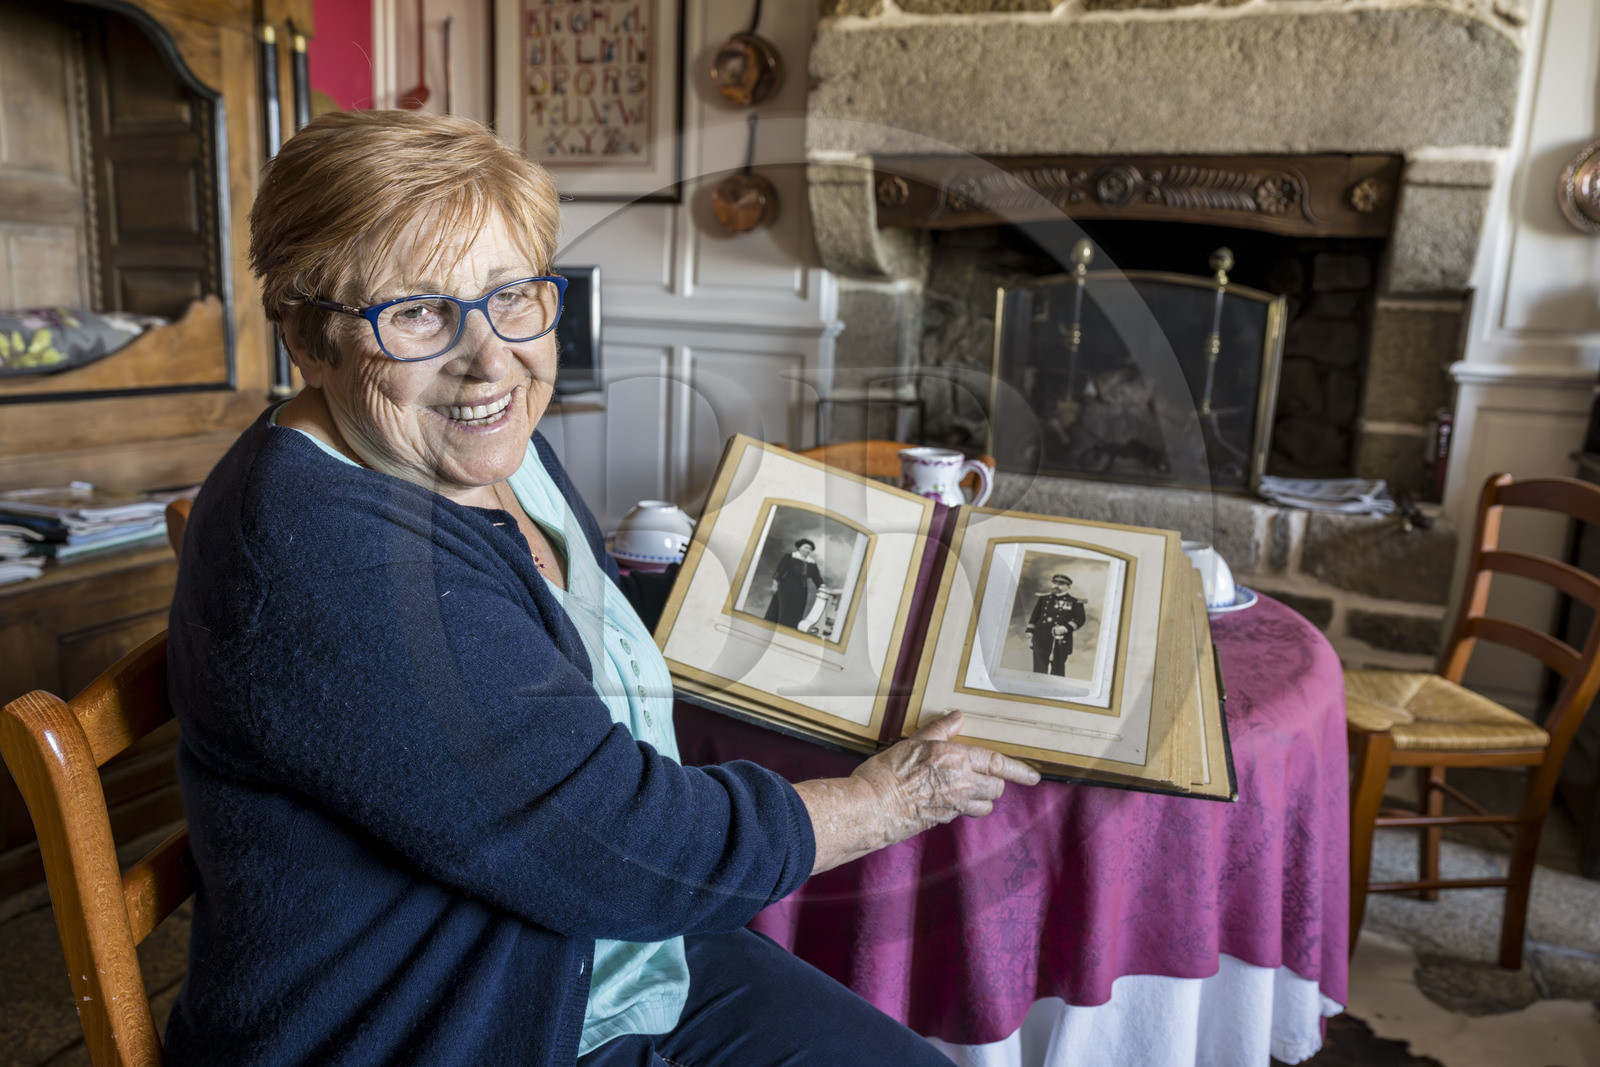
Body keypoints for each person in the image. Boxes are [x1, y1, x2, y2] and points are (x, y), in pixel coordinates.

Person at [164, 109, 1039, 1067]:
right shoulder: (332, 555)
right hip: (455, 1019)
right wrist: (888, 801)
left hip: (593, 953)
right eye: (417, 312)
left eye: (513, 295)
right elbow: (634, 850)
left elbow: (570, 630)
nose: (490, 358)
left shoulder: (482, 456)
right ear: (308, 338)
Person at [1027, 572, 1086, 675]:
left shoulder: (1075, 602)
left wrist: (1066, 628)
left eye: (1060, 584)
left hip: (1060, 641)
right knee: (1038, 672)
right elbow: (1034, 617)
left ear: (1068, 587)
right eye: (1054, 583)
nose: (1056, 586)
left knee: (1057, 672)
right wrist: (1029, 634)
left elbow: (1080, 619)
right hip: (1040, 640)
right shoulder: (1043, 599)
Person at [763, 537, 825, 628]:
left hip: (801, 591)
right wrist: (774, 585)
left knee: (795, 612)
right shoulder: (790, 557)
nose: (808, 550)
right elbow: (779, 572)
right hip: (786, 587)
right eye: (805, 547)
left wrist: (823, 587)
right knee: (779, 609)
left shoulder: (812, 563)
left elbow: (817, 578)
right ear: (799, 547)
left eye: (810, 549)